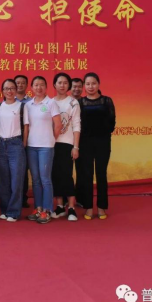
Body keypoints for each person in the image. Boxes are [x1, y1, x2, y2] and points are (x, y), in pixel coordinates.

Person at [24, 76, 61, 224]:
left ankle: (47, 210)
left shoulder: (51, 103)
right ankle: (38, 208)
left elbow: (58, 125)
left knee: (45, 179)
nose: (39, 88)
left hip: (46, 146)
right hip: (31, 146)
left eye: (41, 85)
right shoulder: (28, 105)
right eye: (36, 85)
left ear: (46, 87)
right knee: (36, 179)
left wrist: (51, 139)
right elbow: (27, 126)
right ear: (31, 87)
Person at [79, 72, 116, 220]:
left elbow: (112, 121)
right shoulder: (80, 102)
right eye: (87, 84)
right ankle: (88, 207)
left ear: (98, 84)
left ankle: (101, 207)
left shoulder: (107, 101)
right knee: (87, 175)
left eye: (93, 83)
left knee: (101, 174)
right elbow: (77, 123)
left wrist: (102, 133)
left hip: (103, 142)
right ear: (84, 86)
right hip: (85, 143)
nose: (90, 86)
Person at [0, 79, 27, 222]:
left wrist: (23, 143)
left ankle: (13, 212)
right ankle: (5, 209)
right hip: (1, 144)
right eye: (6, 88)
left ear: (16, 90)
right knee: (3, 180)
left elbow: (26, 126)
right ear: (2, 91)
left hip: (16, 144)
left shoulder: (22, 106)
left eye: (12, 88)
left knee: (16, 180)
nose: (9, 91)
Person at [51, 73, 81, 222]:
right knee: (54, 175)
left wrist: (76, 147)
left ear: (69, 85)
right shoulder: (50, 102)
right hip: (51, 144)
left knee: (67, 175)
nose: (62, 85)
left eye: (65, 83)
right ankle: (60, 206)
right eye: (59, 82)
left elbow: (76, 125)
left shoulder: (73, 103)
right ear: (54, 85)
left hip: (67, 144)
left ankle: (72, 208)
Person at [14, 74, 31, 208]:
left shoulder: (31, 102)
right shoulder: (8, 101)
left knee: (24, 169)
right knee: (12, 170)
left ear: (26, 85)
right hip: (12, 139)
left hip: (28, 139)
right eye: (17, 83)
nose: (20, 85)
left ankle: (23, 197)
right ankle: (12, 197)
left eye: (22, 83)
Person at [70, 77, 84, 207]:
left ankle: (80, 198)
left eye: (79, 86)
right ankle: (65, 198)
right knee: (66, 171)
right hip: (67, 141)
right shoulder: (66, 102)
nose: (77, 89)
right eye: (74, 86)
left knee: (82, 170)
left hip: (83, 141)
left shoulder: (85, 102)